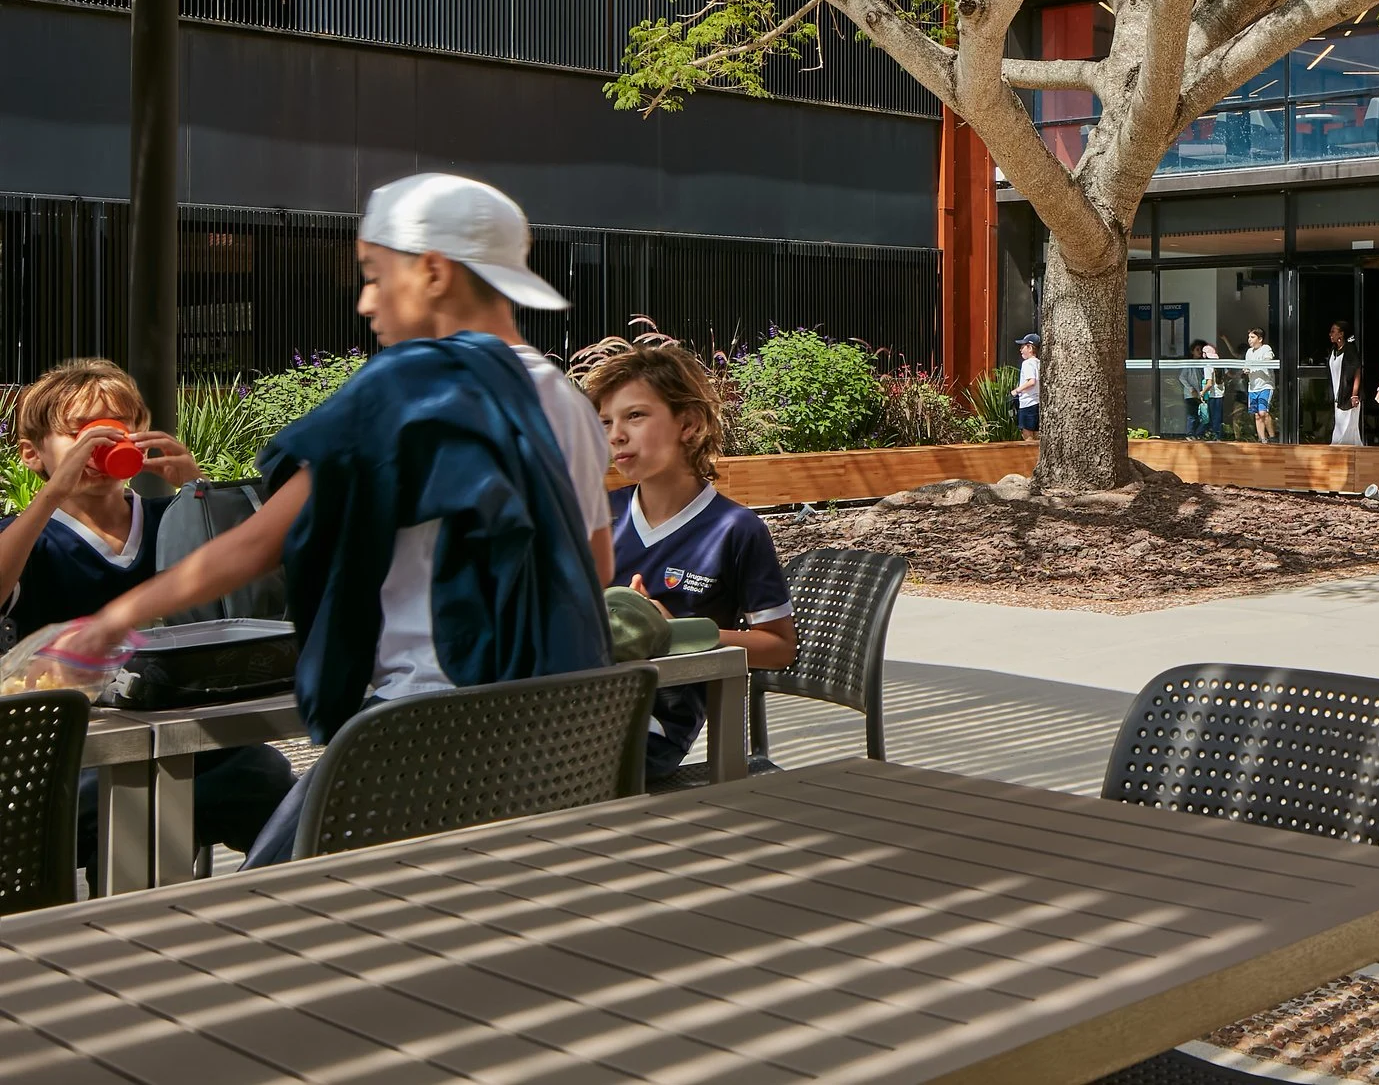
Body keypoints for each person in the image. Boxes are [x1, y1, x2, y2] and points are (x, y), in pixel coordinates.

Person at [58, 173, 611, 864]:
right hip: (554, 733)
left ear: (434, 272)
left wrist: (110, 623)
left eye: (376, 275)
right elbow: (597, 568)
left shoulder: (408, 388)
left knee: (265, 901)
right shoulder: (565, 401)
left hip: (425, 732)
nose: (365, 301)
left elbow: (260, 542)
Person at [0, 360, 293, 868]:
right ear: (32, 454)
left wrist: (198, 492)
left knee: (267, 778)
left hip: (194, 741)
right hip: (75, 756)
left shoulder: (171, 520)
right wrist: (51, 494)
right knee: (95, 813)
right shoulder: (28, 537)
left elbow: (238, 597)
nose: (100, 447)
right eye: (80, 434)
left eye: (116, 430)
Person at [589, 343, 796, 778]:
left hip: (650, 726)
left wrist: (671, 633)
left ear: (688, 423)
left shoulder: (736, 530)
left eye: (636, 416)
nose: (616, 434)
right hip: (575, 697)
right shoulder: (597, 514)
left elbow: (779, 649)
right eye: (607, 421)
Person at [1326, 322, 1362, 446]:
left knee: (1345, 431)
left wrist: (1354, 394)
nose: (1330, 334)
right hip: (1337, 396)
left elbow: (1357, 371)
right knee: (1340, 428)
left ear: (1341, 334)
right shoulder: (1334, 350)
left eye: (1333, 331)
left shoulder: (1350, 350)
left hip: (1348, 397)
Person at [1185, 341, 1223, 439]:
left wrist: (1202, 393)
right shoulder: (1220, 364)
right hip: (1220, 395)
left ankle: (1202, 434)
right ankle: (1216, 436)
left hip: (1212, 395)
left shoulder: (1208, 366)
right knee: (1216, 417)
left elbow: (1209, 384)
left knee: (1208, 417)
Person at [1244, 330, 1278, 440]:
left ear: (1260, 339)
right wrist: (1246, 370)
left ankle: (1272, 437)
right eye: (1249, 337)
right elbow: (1246, 365)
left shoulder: (1266, 348)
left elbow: (1268, 359)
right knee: (1256, 414)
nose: (1249, 339)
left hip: (1265, 385)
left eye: (1252, 337)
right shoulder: (1249, 352)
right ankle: (1262, 439)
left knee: (1263, 412)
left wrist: (1263, 362)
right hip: (1253, 387)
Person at [1014, 335, 1041, 432]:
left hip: (1027, 403)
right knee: (1037, 435)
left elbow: (1031, 381)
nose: (1020, 350)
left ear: (1030, 348)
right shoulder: (1038, 363)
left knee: (1027, 435)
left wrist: (1017, 390)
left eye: (1022, 347)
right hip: (1037, 403)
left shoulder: (1027, 363)